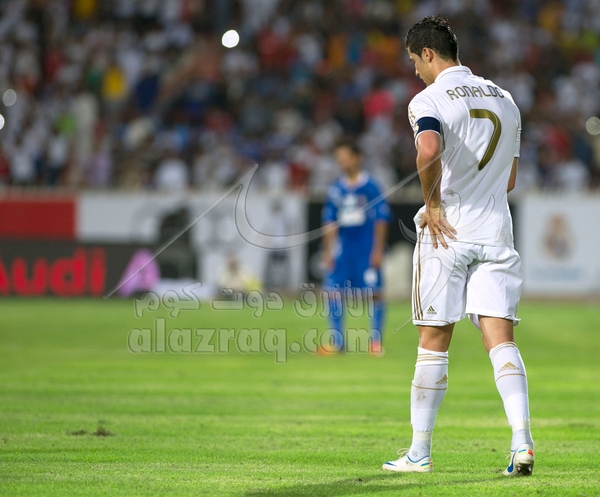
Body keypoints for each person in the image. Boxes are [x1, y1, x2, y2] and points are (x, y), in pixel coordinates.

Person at [382, 16, 534, 476]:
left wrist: (433, 204)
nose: (414, 71)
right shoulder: (505, 99)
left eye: (414, 60)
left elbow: (428, 150)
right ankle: (522, 442)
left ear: (428, 53)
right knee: (501, 340)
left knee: (433, 342)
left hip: (447, 231)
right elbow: (509, 178)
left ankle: (419, 452)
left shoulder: (428, 99)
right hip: (496, 229)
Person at [321, 137, 391, 356]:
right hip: (343, 250)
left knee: (374, 294)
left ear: (357, 158)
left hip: (366, 249)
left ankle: (375, 341)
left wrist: (378, 250)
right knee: (333, 292)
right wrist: (328, 251)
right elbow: (330, 221)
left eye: (345, 158)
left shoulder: (371, 187)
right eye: (339, 159)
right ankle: (337, 342)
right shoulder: (336, 189)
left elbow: (381, 220)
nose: (342, 163)